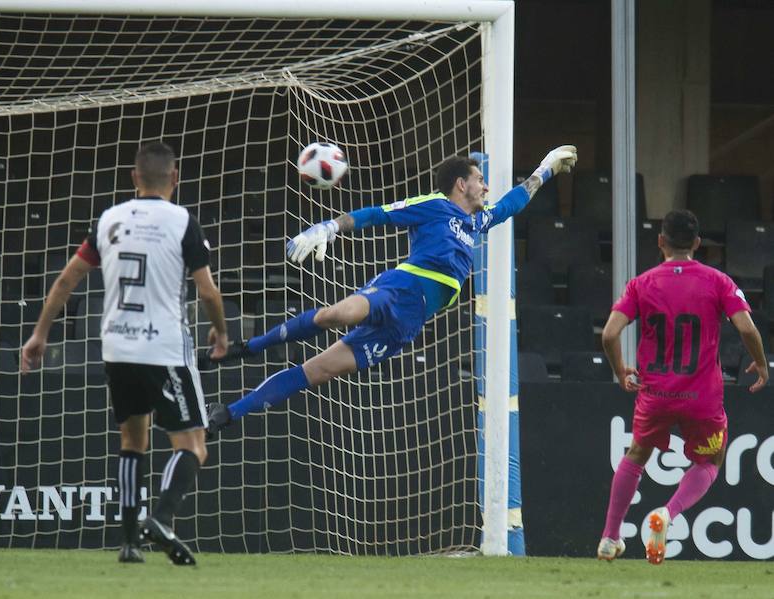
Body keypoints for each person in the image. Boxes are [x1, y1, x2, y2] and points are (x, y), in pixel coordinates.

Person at [204, 145, 577, 436]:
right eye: (480, 179)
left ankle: (227, 414)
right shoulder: (434, 206)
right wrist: (329, 228)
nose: (485, 186)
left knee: (318, 371)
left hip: (409, 322)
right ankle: (245, 348)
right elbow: (379, 214)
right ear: (461, 184)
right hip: (399, 288)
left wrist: (544, 169)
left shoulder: (478, 220)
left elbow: (512, 203)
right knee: (337, 314)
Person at [21, 142, 228, 566]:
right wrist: (221, 332)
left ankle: (130, 542)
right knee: (193, 443)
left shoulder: (109, 220)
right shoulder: (182, 221)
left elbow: (66, 280)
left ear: (134, 178)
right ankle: (163, 518)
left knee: (133, 440)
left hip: (117, 346)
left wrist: (40, 333)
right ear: (175, 178)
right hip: (165, 347)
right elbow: (206, 290)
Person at [597, 208, 768, 565]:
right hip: (701, 396)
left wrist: (619, 370)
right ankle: (668, 514)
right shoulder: (717, 280)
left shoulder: (641, 283)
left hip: (655, 393)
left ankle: (610, 537)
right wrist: (761, 363)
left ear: (660, 242)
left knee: (637, 455)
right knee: (712, 459)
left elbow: (610, 332)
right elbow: (747, 328)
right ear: (698, 244)